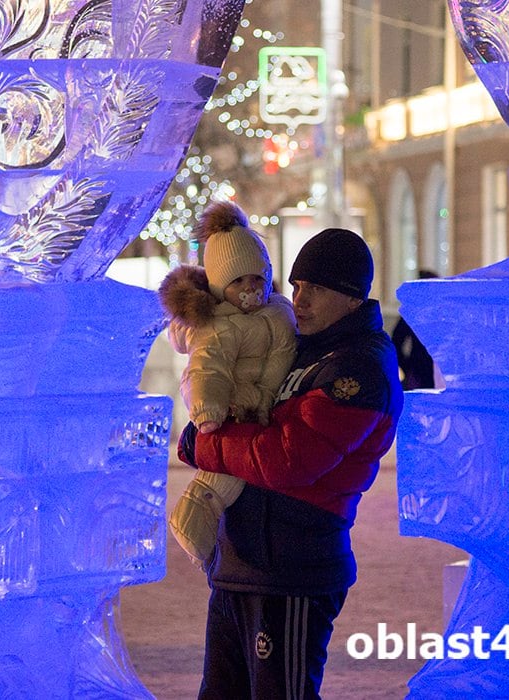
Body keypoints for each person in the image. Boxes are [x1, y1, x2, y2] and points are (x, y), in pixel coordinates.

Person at [178, 227, 403, 699]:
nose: (299, 300)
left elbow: (287, 459)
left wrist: (202, 445)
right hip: (241, 562)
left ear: (350, 296)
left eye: (315, 290)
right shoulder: (303, 345)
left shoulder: (358, 369)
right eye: (296, 286)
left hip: (294, 570)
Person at [159, 201, 296, 568]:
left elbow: (283, 355)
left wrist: (268, 395)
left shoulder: (280, 311)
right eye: (239, 282)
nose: (251, 288)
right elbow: (208, 368)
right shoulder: (219, 324)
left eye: (257, 278)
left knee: (236, 481)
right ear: (221, 287)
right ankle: (192, 528)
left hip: (258, 402)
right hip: (230, 405)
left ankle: (209, 541)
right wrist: (209, 409)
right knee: (221, 480)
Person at [391, 269, 439, 390]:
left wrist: (408, 367)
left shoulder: (413, 312)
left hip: (420, 371)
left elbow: (396, 340)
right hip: (423, 371)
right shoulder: (415, 312)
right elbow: (396, 341)